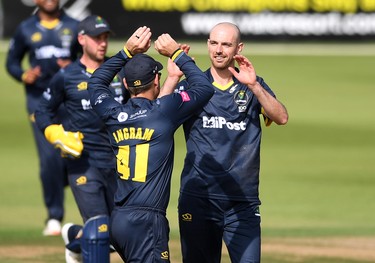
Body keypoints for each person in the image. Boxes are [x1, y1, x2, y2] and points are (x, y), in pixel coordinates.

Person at [88, 26, 215, 262]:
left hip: (119, 220)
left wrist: (126, 52)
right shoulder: (164, 111)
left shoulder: (113, 113)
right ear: (157, 80)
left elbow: (96, 83)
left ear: (125, 84)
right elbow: (204, 88)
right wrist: (177, 54)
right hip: (146, 221)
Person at [175, 22, 289, 263]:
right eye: (214, 43)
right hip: (199, 199)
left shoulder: (251, 86)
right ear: (207, 44)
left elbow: (281, 117)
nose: (218, 50)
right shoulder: (192, 87)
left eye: (226, 44)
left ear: (239, 48)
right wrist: (173, 78)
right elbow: (158, 121)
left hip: (243, 202)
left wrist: (255, 86)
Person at [35, 15, 128, 263]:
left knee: (119, 235)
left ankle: (75, 239)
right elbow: (43, 111)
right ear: (81, 39)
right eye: (97, 38)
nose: (103, 43)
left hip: (119, 163)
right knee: (99, 228)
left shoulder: (119, 72)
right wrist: (54, 132)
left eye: (106, 37)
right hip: (83, 163)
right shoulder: (66, 76)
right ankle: (84, 239)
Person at [5, 0, 81, 236]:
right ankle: (54, 217)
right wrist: (23, 75)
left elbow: (88, 57)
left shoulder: (75, 25)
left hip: (70, 100)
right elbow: (11, 62)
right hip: (39, 103)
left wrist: (75, 65)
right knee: (50, 160)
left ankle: (93, 212)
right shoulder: (26, 28)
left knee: (77, 154)